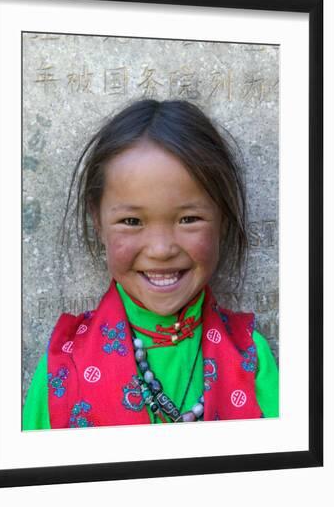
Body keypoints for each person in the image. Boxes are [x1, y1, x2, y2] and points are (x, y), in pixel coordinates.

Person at [23, 99, 279, 430]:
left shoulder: (249, 359)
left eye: (189, 219)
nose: (160, 249)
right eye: (131, 221)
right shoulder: (64, 365)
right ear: (97, 221)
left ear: (223, 221)